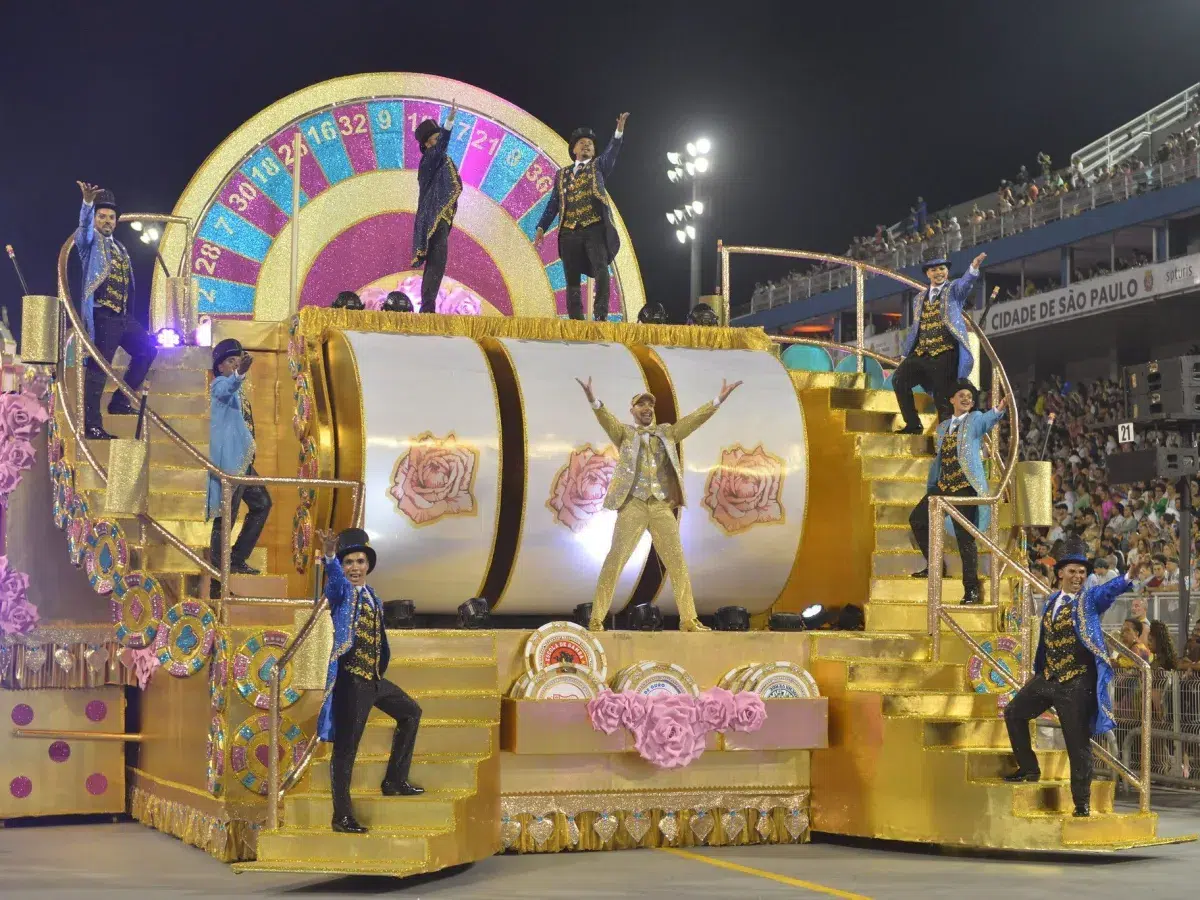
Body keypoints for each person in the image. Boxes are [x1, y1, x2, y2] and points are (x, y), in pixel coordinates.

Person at [576, 375, 742, 632]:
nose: (647, 408)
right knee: (615, 559)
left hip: (661, 506)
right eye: (641, 404)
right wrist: (593, 399)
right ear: (632, 410)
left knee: (677, 561)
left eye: (650, 405)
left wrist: (717, 401)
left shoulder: (667, 432)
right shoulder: (625, 434)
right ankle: (596, 618)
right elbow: (606, 420)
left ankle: (688, 619)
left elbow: (692, 421)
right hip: (633, 505)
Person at [1003, 537, 1149, 817]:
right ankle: (1029, 769)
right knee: (1013, 712)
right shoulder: (1051, 601)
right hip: (1049, 676)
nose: (1078, 576)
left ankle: (1081, 803)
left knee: (1077, 743)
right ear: (1060, 573)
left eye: (1082, 572)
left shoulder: (1088, 600)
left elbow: (1109, 590)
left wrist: (1130, 574)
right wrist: (1039, 672)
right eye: (1072, 571)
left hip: (1077, 682)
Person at [315, 527, 423, 834]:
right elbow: (334, 584)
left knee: (411, 713)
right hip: (351, 681)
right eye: (349, 562)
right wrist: (330, 556)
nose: (354, 567)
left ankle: (394, 780)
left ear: (368, 565)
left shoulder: (373, 595)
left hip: (374, 678)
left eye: (360, 561)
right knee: (346, 748)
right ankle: (341, 816)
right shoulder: (342, 593)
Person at [908, 380, 1006, 604]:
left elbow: (987, 420)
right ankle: (935, 565)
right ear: (952, 399)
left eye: (969, 396)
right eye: (961, 395)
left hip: (965, 486)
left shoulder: (975, 420)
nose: (966, 399)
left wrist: (998, 410)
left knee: (965, 538)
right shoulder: (943, 427)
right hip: (943, 485)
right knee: (917, 519)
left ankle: (971, 589)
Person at [74, 182, 157, 440]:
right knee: (99, 368)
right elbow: (83, 231)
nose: (107, 221)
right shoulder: (89, 245)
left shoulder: (120, 247)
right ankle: (91, 424)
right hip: (102, 315)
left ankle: (120, 401)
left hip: (122, 316)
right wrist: (87, 204)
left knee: (148, 349)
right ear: (95, 219)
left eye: (111, 217)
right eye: (102, 216)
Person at [535, 113, 629, 321]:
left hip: (594, 228)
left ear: (594, 151)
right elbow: (553, 204)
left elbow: (612, 152)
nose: (586, 146)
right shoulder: (561, 175)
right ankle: (576, 320)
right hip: (568, 232)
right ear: (574, 150)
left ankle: (601, 314)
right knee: (572, 278)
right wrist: (541, 227)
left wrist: (618, 132)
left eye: (590, 144)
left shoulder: (598, 167)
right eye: (582, 143)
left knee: (602, 270)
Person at [892, 253, 987, 434]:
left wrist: (973, 268)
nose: (938, 273)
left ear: (947, 271)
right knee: (899, 380)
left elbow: (965, 283)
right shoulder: (918, 299)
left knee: (942, 397)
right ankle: (913, 424)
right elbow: (916, 328)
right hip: (921, 353)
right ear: (927, 273)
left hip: (945, 354)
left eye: (942, 268)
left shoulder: (954, 290)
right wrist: (905, 353)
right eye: (934, 269)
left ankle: (947, 437)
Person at [206, 339, 271, 580]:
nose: (235, 365)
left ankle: (236, 558)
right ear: (220, 367)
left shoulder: (238, 390)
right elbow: (226, 389)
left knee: (262, 503)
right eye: (231, 361)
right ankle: (217, 575)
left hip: (243, 463)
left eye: (238, 361)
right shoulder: (219, 385)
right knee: (226, 516)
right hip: (230, 464)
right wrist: (239, 374)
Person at [412, 100, 461, 314]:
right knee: (436, 262)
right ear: (427, 144)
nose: (439, 141)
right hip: (433, 217)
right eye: (436, 138)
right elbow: (441, 147)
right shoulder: (430, 159)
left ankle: (428, 307)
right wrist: (449, 122)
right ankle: (427, 309)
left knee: (437, 262)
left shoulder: (438, 160)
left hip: (439, 217)